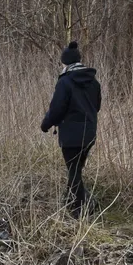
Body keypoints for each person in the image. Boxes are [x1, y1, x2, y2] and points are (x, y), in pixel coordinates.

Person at [40, 41, 102, 218]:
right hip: (89, 133)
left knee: (73, 170)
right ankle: (71, 200)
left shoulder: (65, 82)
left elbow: (57, 109)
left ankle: (81, 209)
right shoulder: (94, 82)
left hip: (71, 135)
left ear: (65, 62)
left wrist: (46, 124)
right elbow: (96, 106)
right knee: (76, 168)